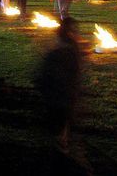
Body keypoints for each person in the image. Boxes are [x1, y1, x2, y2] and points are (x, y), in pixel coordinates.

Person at [35, 17, 84, 153]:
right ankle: (60, 143)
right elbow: (73, 73)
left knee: (58, 118)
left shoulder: (57, 47)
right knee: (61, 118)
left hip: (54, 91)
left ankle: (60, 140)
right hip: (62, 92)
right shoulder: (68, 50)